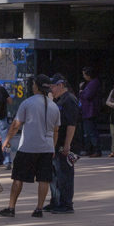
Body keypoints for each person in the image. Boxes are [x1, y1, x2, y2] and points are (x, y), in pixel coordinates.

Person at [0, 76, 58, 219]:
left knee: (18, 177)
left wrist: (7, 140)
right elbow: (56, 130)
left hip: (28, 146)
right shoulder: (54, 106)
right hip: (47, 147)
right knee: (44, 179)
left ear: (36, 86)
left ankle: (11, 207)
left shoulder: (28, 103)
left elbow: (16, 125)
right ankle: (39, 209)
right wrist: (53, 147)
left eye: (33, 84)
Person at [47, 74, 80, 214]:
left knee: (64, 174)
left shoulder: (69, 100)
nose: (51, 90)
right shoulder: (58, 100)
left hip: (64, 143)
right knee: (55, 174)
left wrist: (67, 144)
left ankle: (66, 203)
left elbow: (71, 124)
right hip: (56, 142)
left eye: (52, 87)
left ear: (60, 85)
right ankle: (56, 200)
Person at [78, 67, 102, 157]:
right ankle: (89, 149)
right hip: (86, 110)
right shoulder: (90, 83)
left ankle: (96, 150)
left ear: (89, 75)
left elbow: (87, 95)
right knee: (87, 132)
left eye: (84, 74)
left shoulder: (94, 83)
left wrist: (81, 91)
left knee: (92, 131)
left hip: (90, 111)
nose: (84, 76)